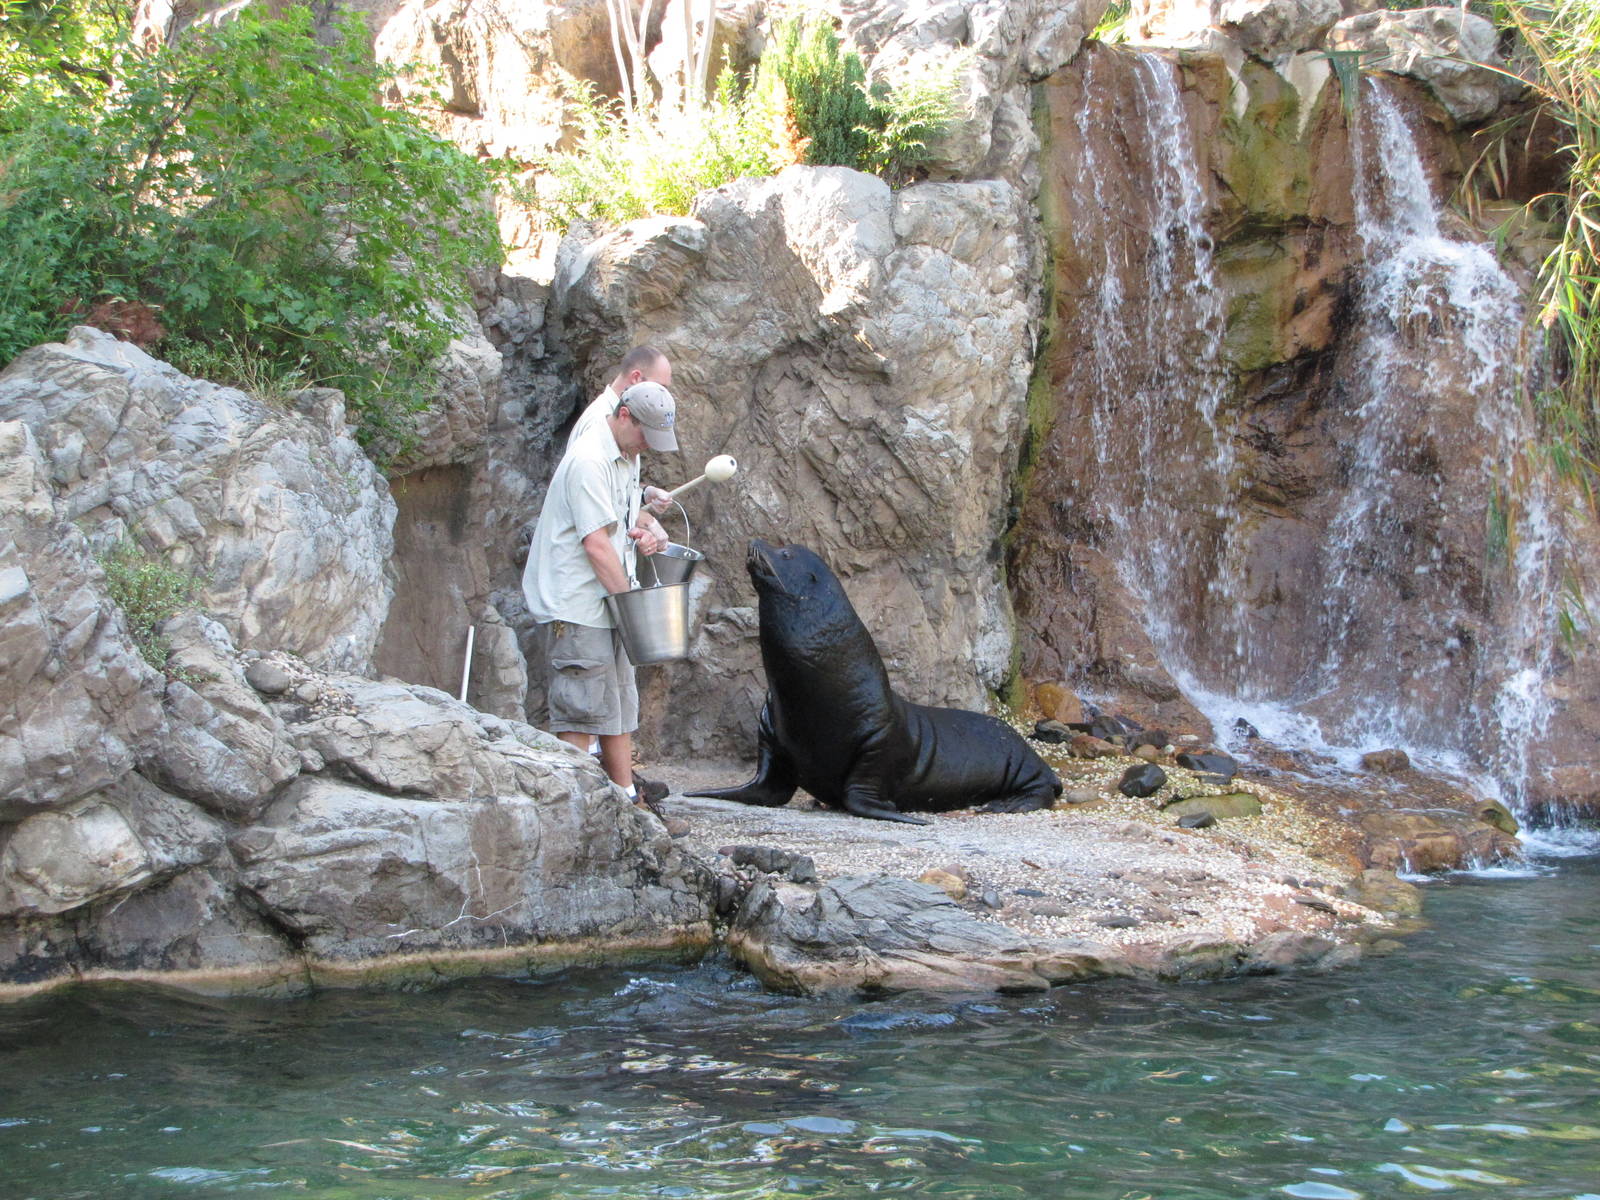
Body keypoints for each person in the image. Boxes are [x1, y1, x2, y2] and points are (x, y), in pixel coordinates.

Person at [524, 378, 686, 834]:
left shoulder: (626, 455)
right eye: (644, 436)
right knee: (581, 706)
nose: (646, 449)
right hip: (578, 606)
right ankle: (571, 819)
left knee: (617, 703)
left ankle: (627, 802)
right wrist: (633, 610)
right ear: (623, 416)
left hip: (610, 600)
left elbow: (623, 515)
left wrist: (650, 525)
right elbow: (596, 545)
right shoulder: (589, 460)